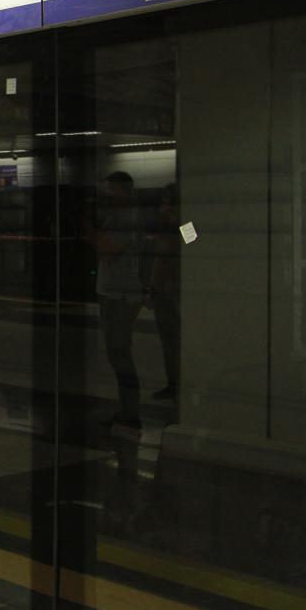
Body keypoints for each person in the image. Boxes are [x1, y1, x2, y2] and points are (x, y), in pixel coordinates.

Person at [90, 172, 144, 430]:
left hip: (121, 296)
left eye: (111, 192)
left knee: (120, 352)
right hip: (112, 293)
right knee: (116, 353)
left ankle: (130, 411)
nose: (107, 196)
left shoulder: (127, 219)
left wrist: (90, 229)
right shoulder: (114, 218)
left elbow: (108, 251)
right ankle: (126, 408)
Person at [146, 183, 181, 403]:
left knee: (171, 342)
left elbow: (164, 259)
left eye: (165, 203)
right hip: (174, 292)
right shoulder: (183, 227)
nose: (161, 208)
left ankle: (175, 384)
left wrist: (152, 289)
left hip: (169, 294)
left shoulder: (173, 228)